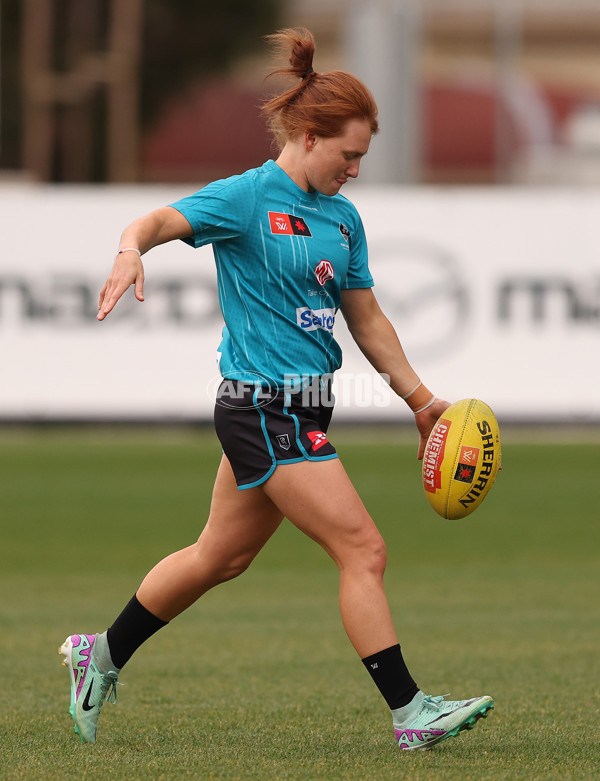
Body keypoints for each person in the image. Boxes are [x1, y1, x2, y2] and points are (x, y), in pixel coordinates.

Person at [59, 27, 494, 751]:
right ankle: (411, 711)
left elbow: (367, 318)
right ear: (309, 133)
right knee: (364, 549)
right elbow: (162, 218)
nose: (355, 170)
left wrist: (420, 401)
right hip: (261, 406)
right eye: (349, 154)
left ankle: (97, 654)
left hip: (306, 404)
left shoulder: (343, 218)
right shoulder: (247, 198)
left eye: (362, 157)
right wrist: (131, 248)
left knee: (218, 556)